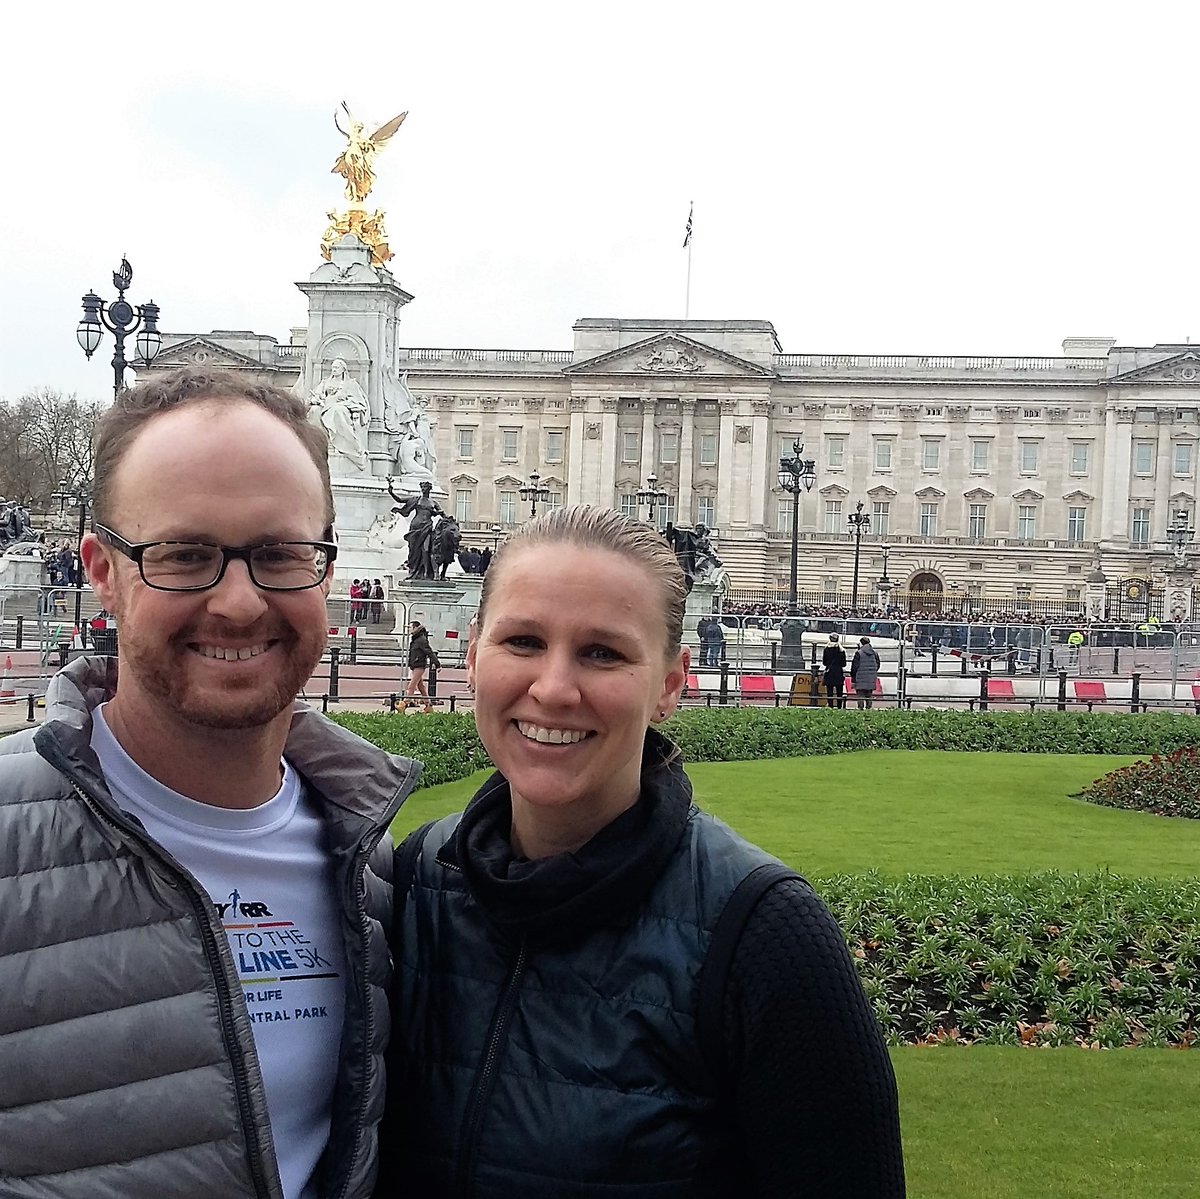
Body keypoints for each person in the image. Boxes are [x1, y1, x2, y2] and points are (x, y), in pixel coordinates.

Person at [381, 505, 904, 1197]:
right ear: (474, 653)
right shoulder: (418, 876)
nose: (554, 688)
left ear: (670, 681)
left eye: (603, 652)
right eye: (524, 640)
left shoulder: (765, 932)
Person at [0, 368, 421, 1199]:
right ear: (102, 570)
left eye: (279, 554)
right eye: (185, 555)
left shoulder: (380, 872)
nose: (238, 602)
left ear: (325, 568)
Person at [401, 618, 440, 713]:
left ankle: (404, 704)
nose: (409, 629)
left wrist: (437, 664)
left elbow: (429, 652)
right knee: (421, 687)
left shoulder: (421, 640)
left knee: (411, 686)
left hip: (419, 665)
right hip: (416, 665)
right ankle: (428, 705)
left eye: (410, 627)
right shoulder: (416, 639)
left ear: (415, 628)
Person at [850, 635, 881, 708]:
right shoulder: (874, 653)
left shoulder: (859, 653)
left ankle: (861, 710)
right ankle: (868, 709)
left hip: (860, 677)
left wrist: (853, 678)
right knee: (869, 695)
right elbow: (878, 664)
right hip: (871, 678)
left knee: (860, 695)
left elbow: (854, 667)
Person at [822, 632, 847, 708]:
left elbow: (824, 662)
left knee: (829, 691)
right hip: (838, 672)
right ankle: (839, 706)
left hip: (829, 673)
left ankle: (830, 706)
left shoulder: (826, 649)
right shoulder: (841, 650)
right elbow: (844, 664)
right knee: (839, 691)